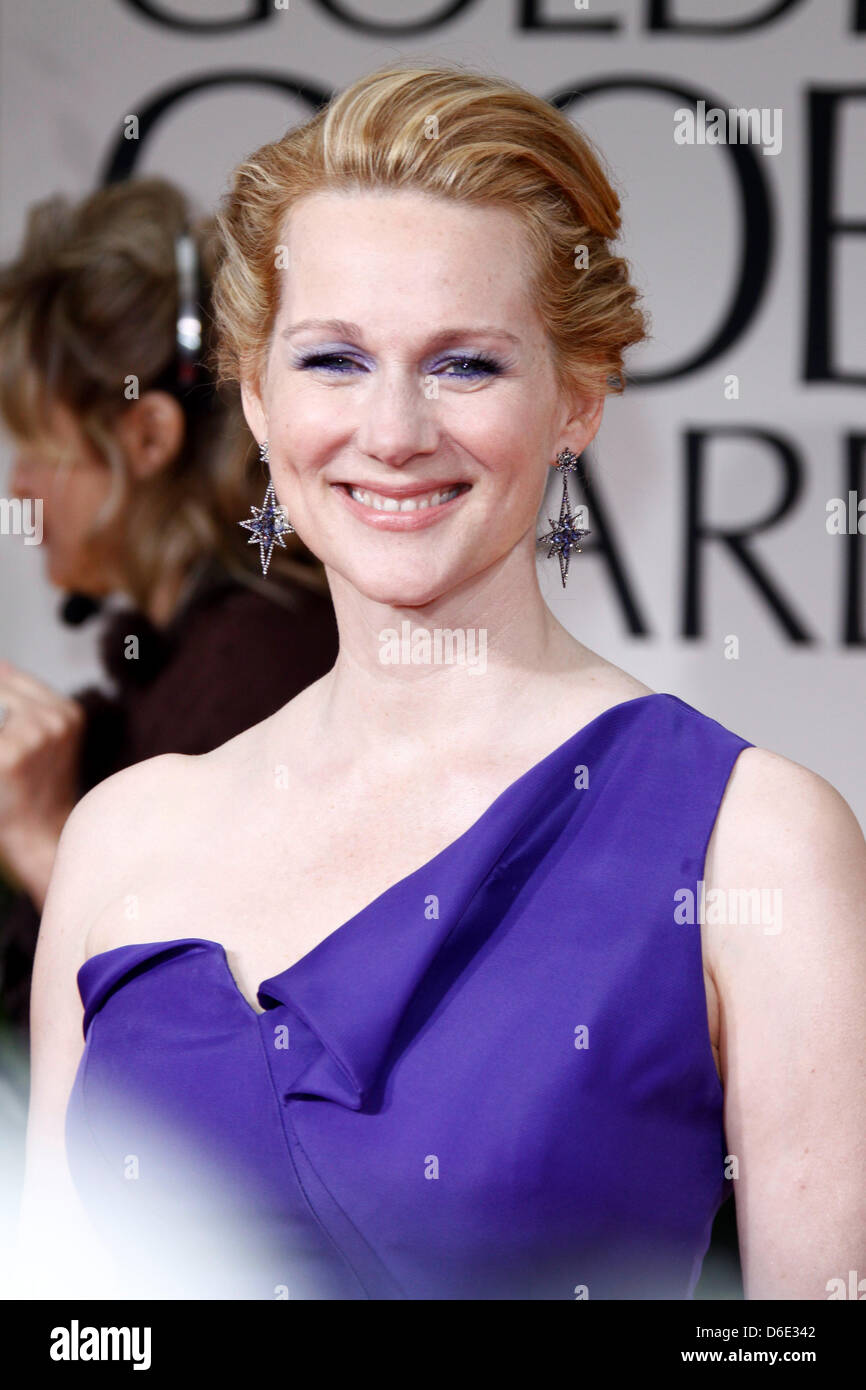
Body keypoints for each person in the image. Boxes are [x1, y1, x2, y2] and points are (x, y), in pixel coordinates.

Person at [18, 62, 866, 1301]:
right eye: (332, 362)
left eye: (465, 364)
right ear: (255, 396)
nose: (396, 429)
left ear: (576, 398)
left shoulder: (750, 842)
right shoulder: (118, 838)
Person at [0, 178, 338, 1047]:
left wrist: (38, 839)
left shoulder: (261, 675)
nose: (18, 490)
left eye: (39, 453)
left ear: (147, 438)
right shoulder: (184, 663)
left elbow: (208, 1049)